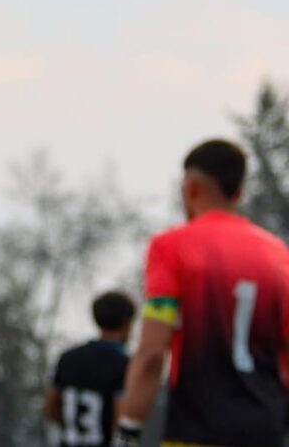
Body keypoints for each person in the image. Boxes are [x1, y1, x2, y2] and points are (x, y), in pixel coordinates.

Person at [115, 139, 289, 447]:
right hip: (267, 430)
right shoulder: (278, 255)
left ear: (192, 188)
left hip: (197, 427)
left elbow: (153, 353)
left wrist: (129, 426)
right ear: (238, 192)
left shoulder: (172, 247)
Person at [44, 291, 135, 446]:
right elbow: (121, 419)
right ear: (126, 322)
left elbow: (50, 408)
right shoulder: (124, 364)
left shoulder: (67, 358)